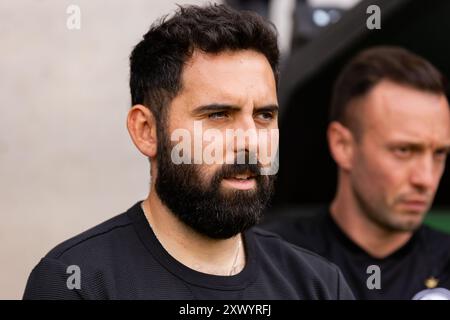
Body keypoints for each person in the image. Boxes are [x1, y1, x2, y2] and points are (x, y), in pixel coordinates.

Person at [23, 4, 353, 300]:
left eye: (264, 115)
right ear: (146, 131)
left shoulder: (318, 284)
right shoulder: (75, 283)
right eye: (218, 115)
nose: (250, 141)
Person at [264, 46, 450, 300]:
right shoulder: (271, 259)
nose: (426, 179)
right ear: (343, 146)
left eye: (439, 154)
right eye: (404, 150)